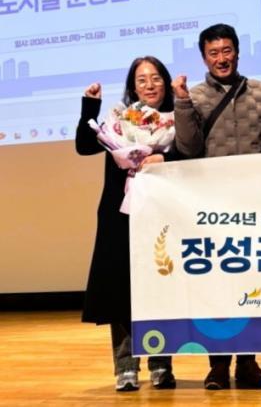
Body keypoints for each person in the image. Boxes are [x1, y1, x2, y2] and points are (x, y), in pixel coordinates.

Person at [172, 23, 261, 390]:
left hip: (256, 204)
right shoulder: (194, 96)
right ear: (204, 58)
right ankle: (217, 365)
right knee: (215, 288)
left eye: (226, 51)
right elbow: (187, 147)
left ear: (237, 52)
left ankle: (248, 363)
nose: (221, 58)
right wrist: (181, 103)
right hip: (211, 207)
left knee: (252, 286)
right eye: (213, 53)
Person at [75, 56, 177, 392]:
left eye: (156, 78)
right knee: (120, 289)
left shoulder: (178, 119)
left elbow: (191, 154)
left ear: (165, 82)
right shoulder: (119, 119)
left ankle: (161, 365)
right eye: (142, 79)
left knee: (160, 287)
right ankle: (125, 367)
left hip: (162, 213)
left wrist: (163, 156)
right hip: (120, 214)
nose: (149, 85)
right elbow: (84, 146)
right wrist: (90, 107)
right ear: (133, 86)